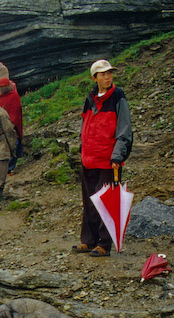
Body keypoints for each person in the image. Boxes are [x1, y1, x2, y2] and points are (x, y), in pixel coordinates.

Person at [74, 59, 133, 258]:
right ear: (95, 77)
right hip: (88, 158)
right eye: (103, 74)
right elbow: (85, 123)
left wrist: (118, 155)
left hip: (109, 160)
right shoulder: (90, 97)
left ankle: (104, 243)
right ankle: (88, 240)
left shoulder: (118, 96)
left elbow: (124, 128)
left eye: (109, 73)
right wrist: (82, 150)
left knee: (107, 201)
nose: (107, 77)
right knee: (89, 201)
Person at [0, 77, 24, 175]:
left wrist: (12, 123)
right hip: (3, 126)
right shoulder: (0, 98)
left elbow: (16, 111)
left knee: (14, 145)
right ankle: (6, 168)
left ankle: (10, 167)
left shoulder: (14, 96)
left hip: (13, 126)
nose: (3, 88)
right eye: (1, 87)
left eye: (5, 86)